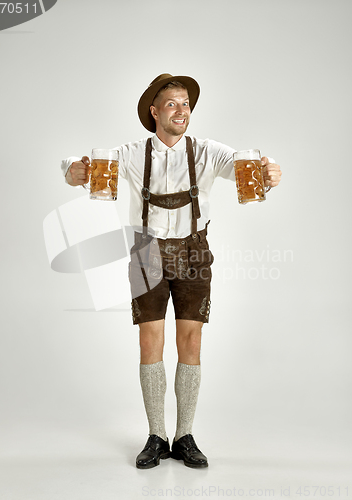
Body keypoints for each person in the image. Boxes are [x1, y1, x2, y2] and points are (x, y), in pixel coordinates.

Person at [61, 73, 282, 469]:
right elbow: (82, 166)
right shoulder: (130, 152)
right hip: (146, 252)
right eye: (173, 103)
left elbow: (243, 168)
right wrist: (72, 173)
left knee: (191, 343)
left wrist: (269, 174)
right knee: (150, 342)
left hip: (195, 250)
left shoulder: (208, 151)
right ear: (154, 111)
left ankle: (185, 436)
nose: (182, 110)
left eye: (186, 104)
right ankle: (156, 436)